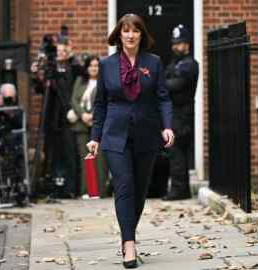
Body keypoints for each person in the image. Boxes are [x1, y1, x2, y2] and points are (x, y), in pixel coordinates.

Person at [86, 14, 174, 268]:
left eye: (135, 30)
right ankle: (130, 245)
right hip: (115, 135)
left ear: (141, 35)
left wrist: (167, 126)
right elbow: (100, 104)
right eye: (126, 30)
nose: (131, 35)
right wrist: (95, 138)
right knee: (124, 186)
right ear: (119, 34)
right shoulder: (107, 65)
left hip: (146, 135)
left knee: (139, 191)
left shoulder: (154, 63)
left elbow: (163, 98)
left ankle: (127, 236)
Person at [31, 36, 81, 198]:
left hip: (68, 117)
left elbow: (70, 86)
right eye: (59, 50)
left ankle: (71, 188)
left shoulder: (73, 68)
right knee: (52, 153)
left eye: (64, 50)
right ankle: (52, 186)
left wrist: (70, 59)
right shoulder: (50, 70)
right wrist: (37, 75)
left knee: (70, 153)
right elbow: (40, 89)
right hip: (52, 118)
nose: (61, 53)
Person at [163, 25, 199, 201]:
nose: (175, 47)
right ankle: (181, 189)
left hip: (182, 114)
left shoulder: (190, 64)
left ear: (187, 44)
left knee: (177, 151)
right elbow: (166, 79)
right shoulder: (175, 63)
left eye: (179, 43)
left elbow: (176, 85)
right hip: (174, 113)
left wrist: (163, 84)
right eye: (174, 43)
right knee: (175, 152)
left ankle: (178, 190)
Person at [70, 55, 110, 198]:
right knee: (85, 159)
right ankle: (86, 191)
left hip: (99, 125)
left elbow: (107, 100)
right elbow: (74, 100)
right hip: (82, 125)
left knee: (100, 159)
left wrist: (94, 115)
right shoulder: (80, 81)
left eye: (96, 65)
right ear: (86, 68)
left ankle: (99, 192)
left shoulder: (105, 81)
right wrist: (83, 115)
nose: (94, 68)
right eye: (91, 65)